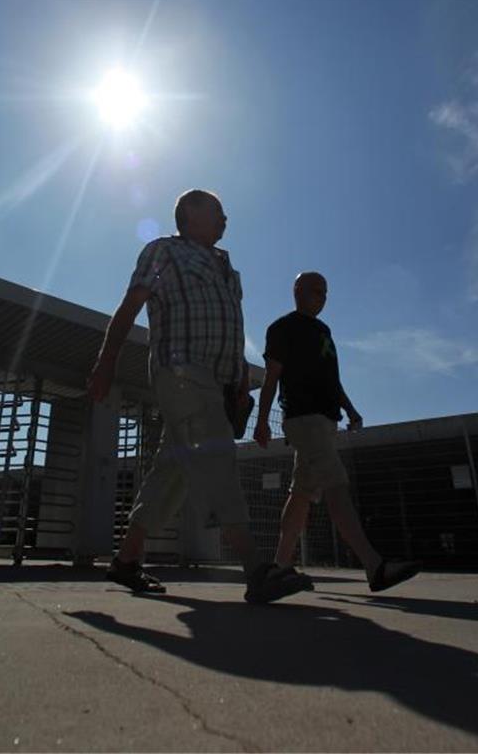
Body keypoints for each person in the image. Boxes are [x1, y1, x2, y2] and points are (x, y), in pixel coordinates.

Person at [87, 189, 308, 604]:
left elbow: (234, 323)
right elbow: (130, 304)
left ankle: (126, 560)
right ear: (190, 213)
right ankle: (256, 569)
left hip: (219, 379)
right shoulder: (163, 252)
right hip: (182, 370)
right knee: (219, 455)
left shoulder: (226, 265)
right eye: (218, 211)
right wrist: (106, 361)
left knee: (171, 472)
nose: (226, 218)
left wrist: (240, 379)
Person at [254, 272, 421, 592]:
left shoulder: (323, 330)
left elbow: (332, 379)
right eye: (317, 290)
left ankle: (280, 565)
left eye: (326, 292)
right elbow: (271, 377)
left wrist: (351, 409)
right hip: (304, 418)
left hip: (325, 420)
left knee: (301, 493)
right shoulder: (282, 328)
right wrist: (262, 419)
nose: (323, 297)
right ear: (297, 291)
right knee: (336, 484)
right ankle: (374, 566)